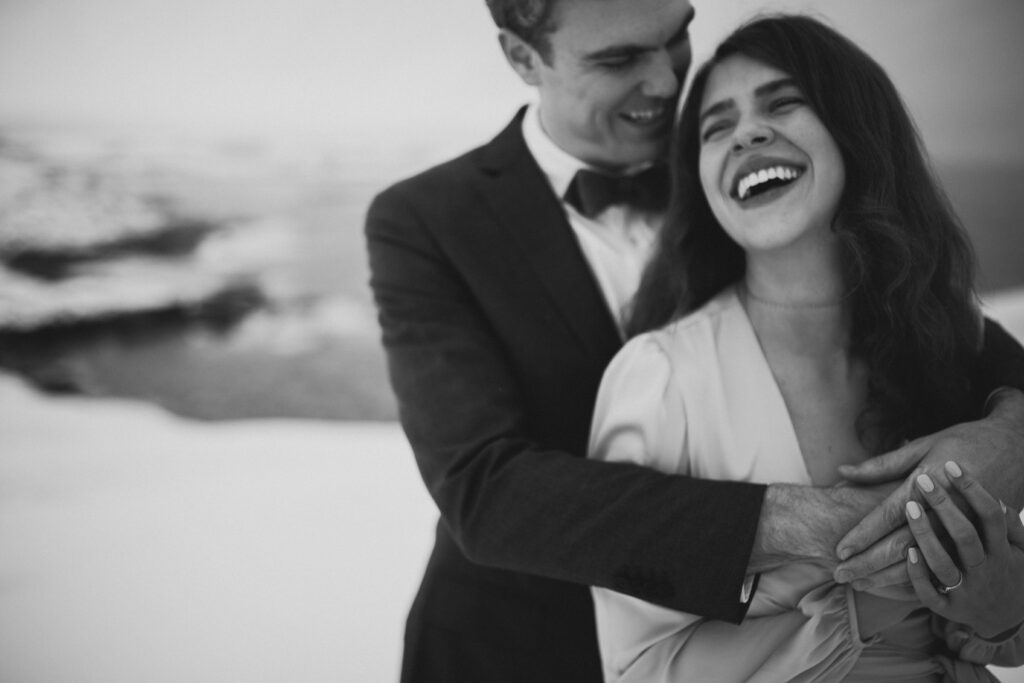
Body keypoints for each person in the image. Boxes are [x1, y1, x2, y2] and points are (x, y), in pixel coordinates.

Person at [364, 1, 1024, 680]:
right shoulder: (425, 220)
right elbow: (486, 488)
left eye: (675, 37)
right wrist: (799, 521)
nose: (663, 82)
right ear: (523, 58)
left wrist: (1012, 435)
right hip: (517, 646)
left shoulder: (757, 177)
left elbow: (969, 347)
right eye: (620, 59)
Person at [588, 14, 1024, 681]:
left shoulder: (954, 346)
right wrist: (844, 606)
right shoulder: (661, 379)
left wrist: (1000, 611)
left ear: (855, 129)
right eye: (716, 127)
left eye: (783, 102)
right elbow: (638, 664)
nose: (747, 133)